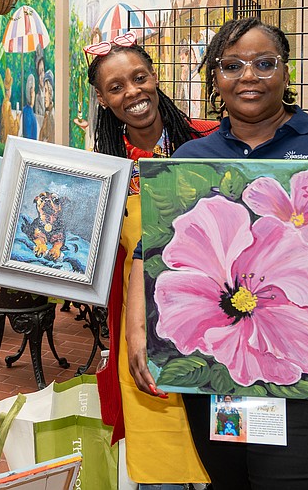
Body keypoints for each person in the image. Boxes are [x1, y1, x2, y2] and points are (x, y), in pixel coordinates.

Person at [126, 17, 308, 490]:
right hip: (220, 387)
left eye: (265, 63)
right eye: (232, 65)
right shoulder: (191, 161)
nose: (249, 75)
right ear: (215, 78)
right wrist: (138, 336)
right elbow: (150, 254)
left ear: (286, 73)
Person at [85, 31, 215, 490]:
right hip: (144, 321)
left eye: (139, 78)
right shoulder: (103, 168)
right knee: (162, 459)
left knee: (224, 450)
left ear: (154, 78)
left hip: (218, 317)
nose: (132, 93)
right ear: (102, 99)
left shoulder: (211, 142)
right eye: (116, 87)